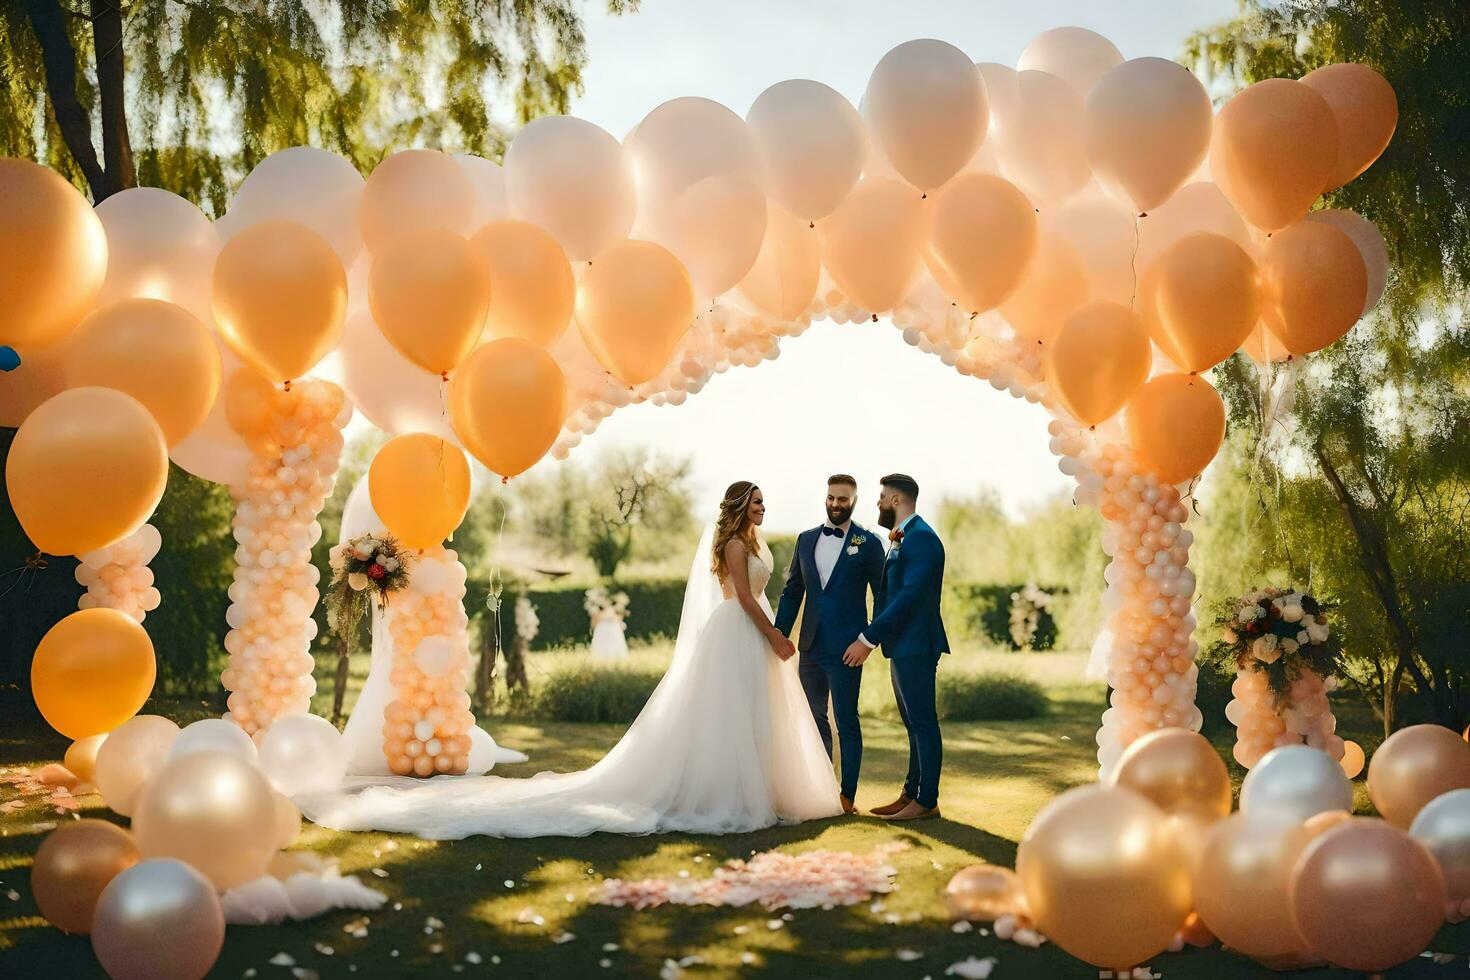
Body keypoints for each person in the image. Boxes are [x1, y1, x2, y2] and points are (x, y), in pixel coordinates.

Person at [297, 481, 842, 838]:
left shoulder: (756, 540)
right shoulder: (733, 546)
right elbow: (745, 598)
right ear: (737, 508)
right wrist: (774, 634)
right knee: (730, 713)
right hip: (742, 628)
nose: (762, 509)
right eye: (755, 503)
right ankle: (732, 792)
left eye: (764, 503)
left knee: (757, 713)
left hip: (751, 631)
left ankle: (770, 789)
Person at [775, 474, 885, 814]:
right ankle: (821, 789)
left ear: (854, 500)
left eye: (843, 499)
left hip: (847, 648)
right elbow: (793, 591)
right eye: (831, 498)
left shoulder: (868, 543)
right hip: (809, 645)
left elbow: (883, 596)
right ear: (825, 498)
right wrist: (779, 635)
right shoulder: (806, 540)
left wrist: (868, 639)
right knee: (813, 719)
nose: (836, 504)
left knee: (846, 719)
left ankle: (847, 795)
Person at [842, 474, 949, 821]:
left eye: (882, 496)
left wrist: (868, 638)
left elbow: (909, 598)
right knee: (912, 723)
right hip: (903, 644)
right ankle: (911, 793)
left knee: (923, 722)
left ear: (897, 500)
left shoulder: (922, 540)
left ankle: (927, 800)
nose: (878, 502)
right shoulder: (905, 538)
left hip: (917, 643)